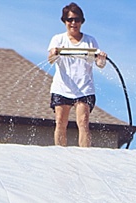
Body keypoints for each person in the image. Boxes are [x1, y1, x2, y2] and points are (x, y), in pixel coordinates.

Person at [47, 3, 107, 147]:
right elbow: (50, 60)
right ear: (64, 21)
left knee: (83, 122)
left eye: (77, 20)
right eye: (70, 20)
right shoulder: (58, 39)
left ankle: (85, 154)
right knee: (60, 122)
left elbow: (99, 64)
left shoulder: (90, 40)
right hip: (62, 87)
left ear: (81, 21)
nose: (73, 23)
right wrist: (54, 53)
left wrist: (102, 59)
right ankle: (59, 152)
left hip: (84, 88)